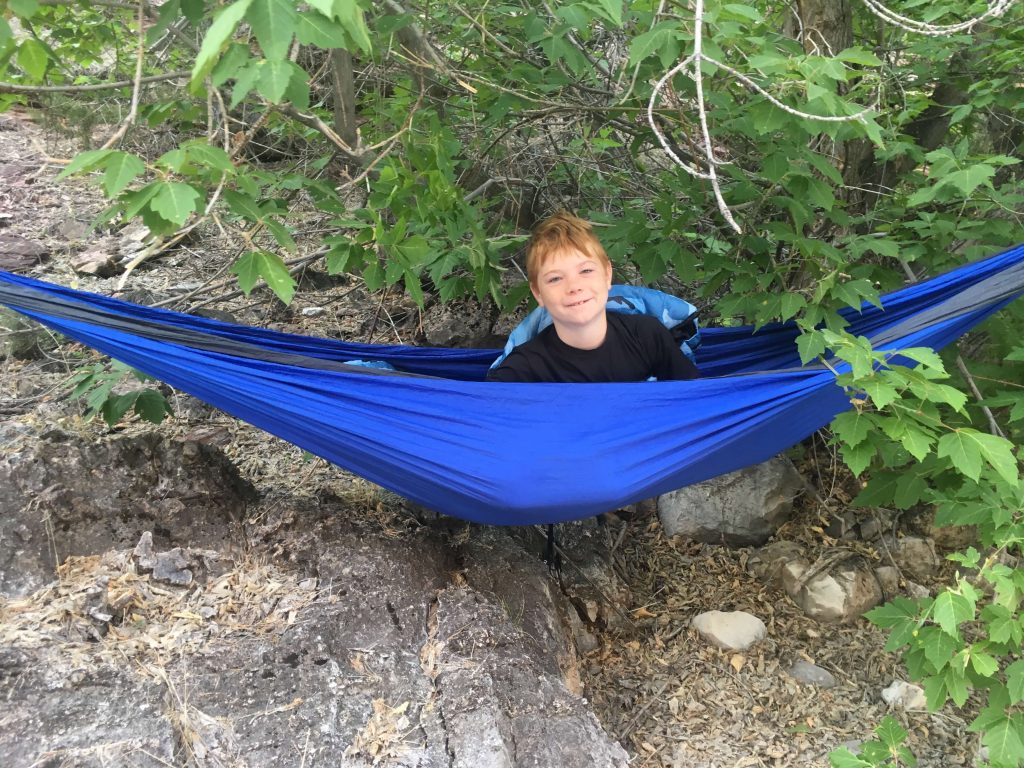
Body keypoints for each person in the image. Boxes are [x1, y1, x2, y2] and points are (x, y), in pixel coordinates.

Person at [487, 211, 699, 383]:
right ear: (538, 293)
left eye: (586, 271)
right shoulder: (524, 370)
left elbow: (692, 404)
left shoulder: (647, 336)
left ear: (607, 275)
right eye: (555, 279)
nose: (574, 286)